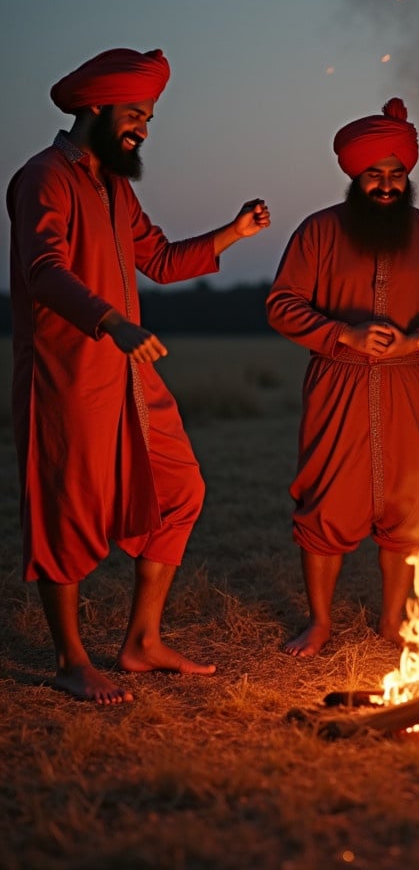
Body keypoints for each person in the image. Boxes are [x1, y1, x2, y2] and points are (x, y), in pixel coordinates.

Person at [6, 47, 271, 703]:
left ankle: (141, 642)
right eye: (135, 115)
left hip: (131, 376)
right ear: (95, 107)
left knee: (180, 488)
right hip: (69, 374)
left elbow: (158, 258)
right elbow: (44, 270)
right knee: (66, 512)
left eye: (149, 118)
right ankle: (71, 661)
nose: (144, 129)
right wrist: (110, 322)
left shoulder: (116, 188)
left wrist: (231, 234)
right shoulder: (43, 178)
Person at [267, 97, 419, 657]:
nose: (385, 184)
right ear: (354, 177)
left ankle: (391, 622)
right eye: (373, 175)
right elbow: (282, 305)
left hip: (410, 383)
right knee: (326, 503)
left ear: (408, 176)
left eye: (396, 174)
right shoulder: (318, 232)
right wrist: (343, 333)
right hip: (338, 384)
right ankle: (319, 624)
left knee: (408, 508)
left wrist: (418, 340)